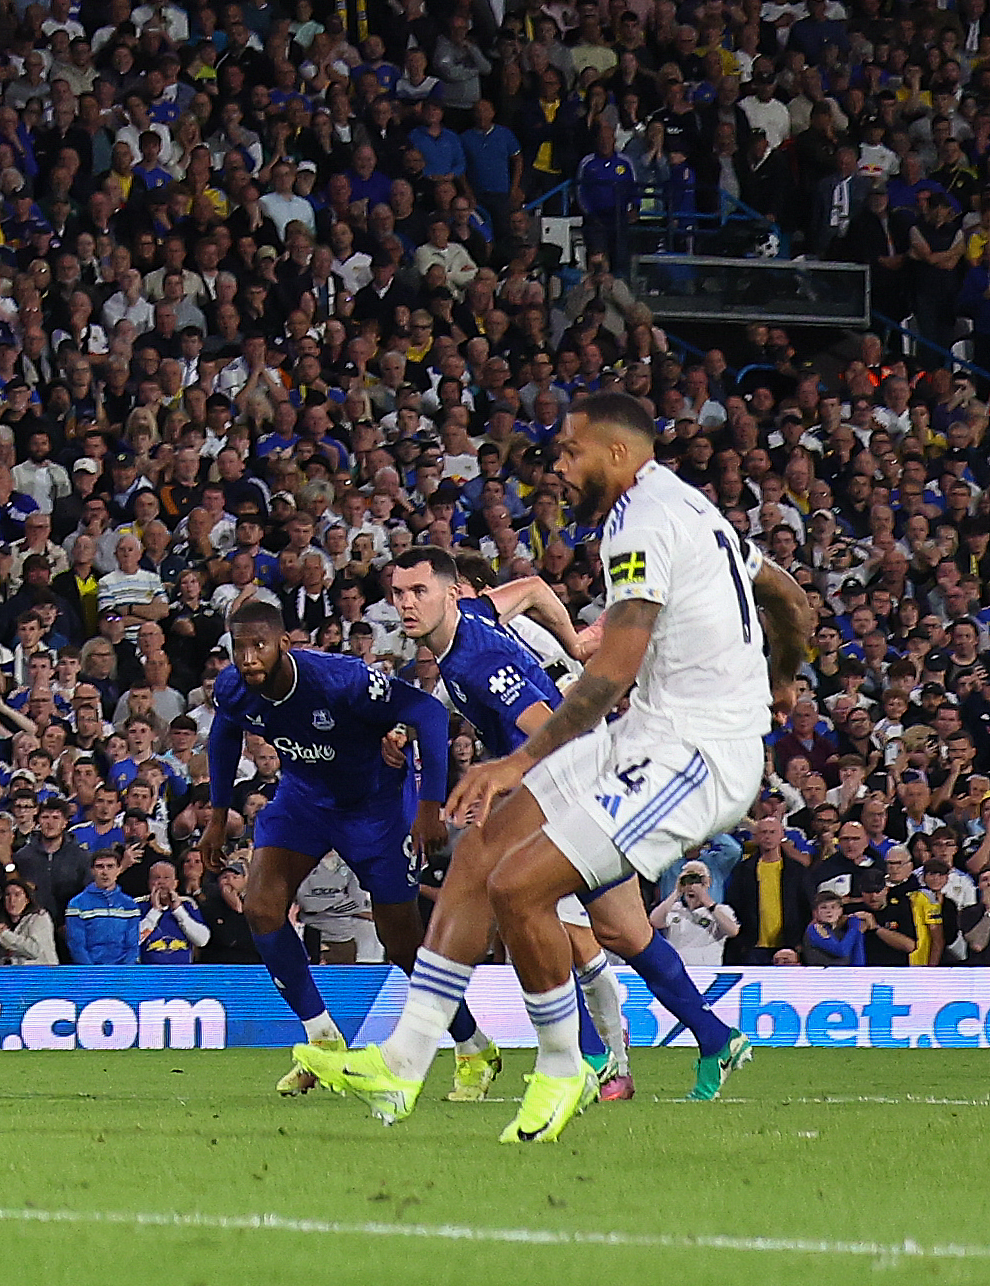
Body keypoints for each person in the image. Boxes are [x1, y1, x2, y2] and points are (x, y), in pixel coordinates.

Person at [305, 400, 784, 1143]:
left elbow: (614, 669)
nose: (555, 467)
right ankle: (405, 1060)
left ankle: (574, 1063)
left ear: (617, 454)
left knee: (529, 891)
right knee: (486, 854)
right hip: (643, 735)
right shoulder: (691, 511)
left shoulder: (636, 525)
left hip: (697, 749)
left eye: (569, 452)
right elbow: (787, 595)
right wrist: (780, 673)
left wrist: (517, 759)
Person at [394, 549, 750, 1100]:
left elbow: (546, 727)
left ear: (449, 593)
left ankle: (588, 1060)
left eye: (418, 592)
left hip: (567, 793)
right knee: (621, 932)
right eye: (398, 594)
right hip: (584, 783)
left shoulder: (474, 662)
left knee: (527, 915)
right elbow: (534, 585)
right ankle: (710, 1036)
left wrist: (507, 778)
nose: (406, 604)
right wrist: (574, 642)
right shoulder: (480, 615)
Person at [202, 591, 456, 1093]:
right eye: (239, 647)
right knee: (261, 908)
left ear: (286, 644)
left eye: (260, 645)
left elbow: (427, 713)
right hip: (303, 801)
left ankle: (472, 1045)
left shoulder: (340, 678)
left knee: (402, 942)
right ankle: (322, 1040)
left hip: (375, 810)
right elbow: (225, 734)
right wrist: (216, 814)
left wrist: (429, 805)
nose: (248, 658)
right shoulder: (233, 688)